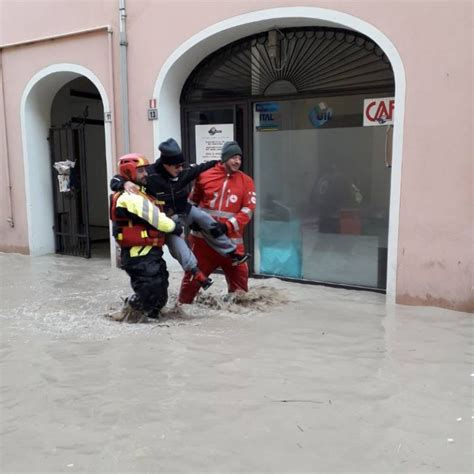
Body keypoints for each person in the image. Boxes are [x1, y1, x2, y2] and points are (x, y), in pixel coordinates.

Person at [110, 138, 248, 290]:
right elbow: (117, 179)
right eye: (177, 166)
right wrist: (123, 183)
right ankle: (198, 275)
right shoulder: (149, 174)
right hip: (166, 218)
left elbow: (203, 166)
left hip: (184, 209)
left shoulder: (184, 171)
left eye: (182, 165)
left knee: (205, 219)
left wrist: (224, 161)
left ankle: (233, 253)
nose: (181, 169)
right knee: (179, 244)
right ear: (166, 164)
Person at [178, 141, 256, 304]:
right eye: (234, 157)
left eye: (239, 158)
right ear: (224, 158)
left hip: (232, 246)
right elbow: (191, 203)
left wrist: (226, 226)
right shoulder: (205, 175)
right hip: (202, 243)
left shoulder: (246, 181)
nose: (237, 162)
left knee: (241, 294)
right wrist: (191, 222)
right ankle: (182, 310)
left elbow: (248, 209)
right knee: (190, 285)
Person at [110, 153, 182, 322]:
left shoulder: (142, 192)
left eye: (145, 170)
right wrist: (175, 227)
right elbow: (157, 220)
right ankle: (131, 314)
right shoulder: (130, 198)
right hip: (138, 256)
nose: (146, 174)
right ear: (129, 172)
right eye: (141, 171)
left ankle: (151, 319)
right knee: (149, 290)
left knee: (161, 290)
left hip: (150, 254)